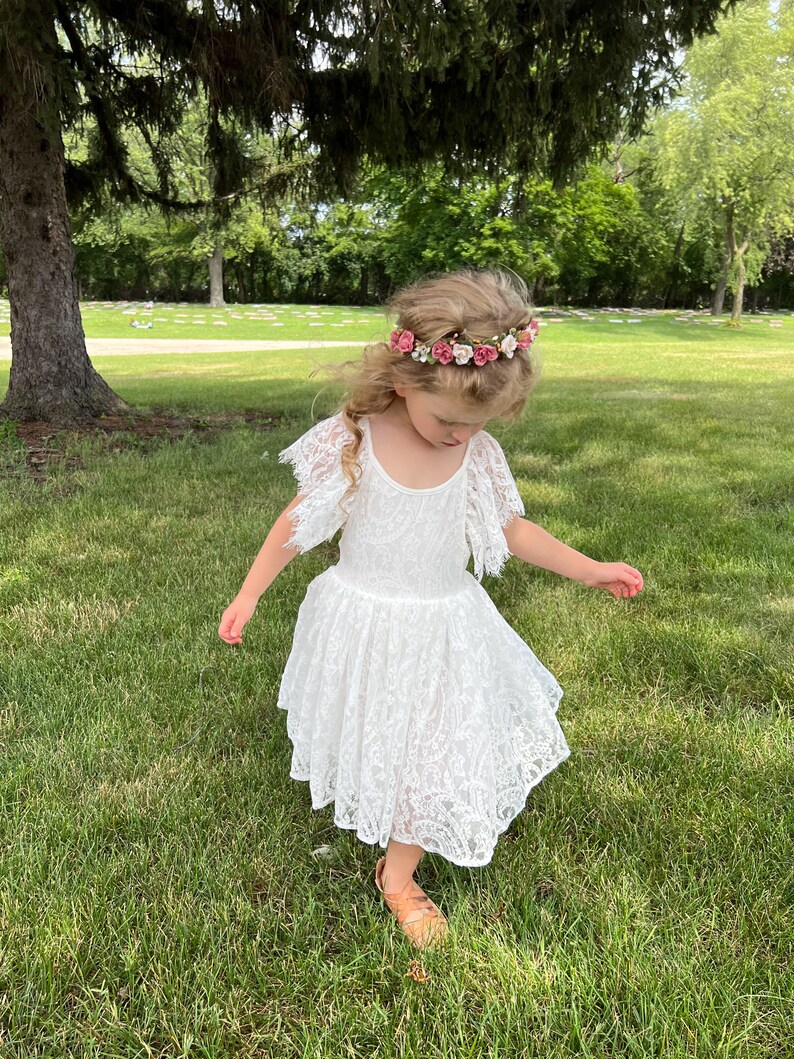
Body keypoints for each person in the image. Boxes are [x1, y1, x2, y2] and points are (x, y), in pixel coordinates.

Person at [218, 269, 644, 949]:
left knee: (435, 752)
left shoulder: (477, 453)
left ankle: (399, 872)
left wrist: (590, 569)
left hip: (446, 625)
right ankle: (392, 835)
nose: (458, 436)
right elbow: (298, 521)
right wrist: (249, 591)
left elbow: (512, 529)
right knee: (387, 737)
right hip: (367, 624)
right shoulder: (355, 437)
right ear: (405, 380)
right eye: (448, 420)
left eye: (476, 426)